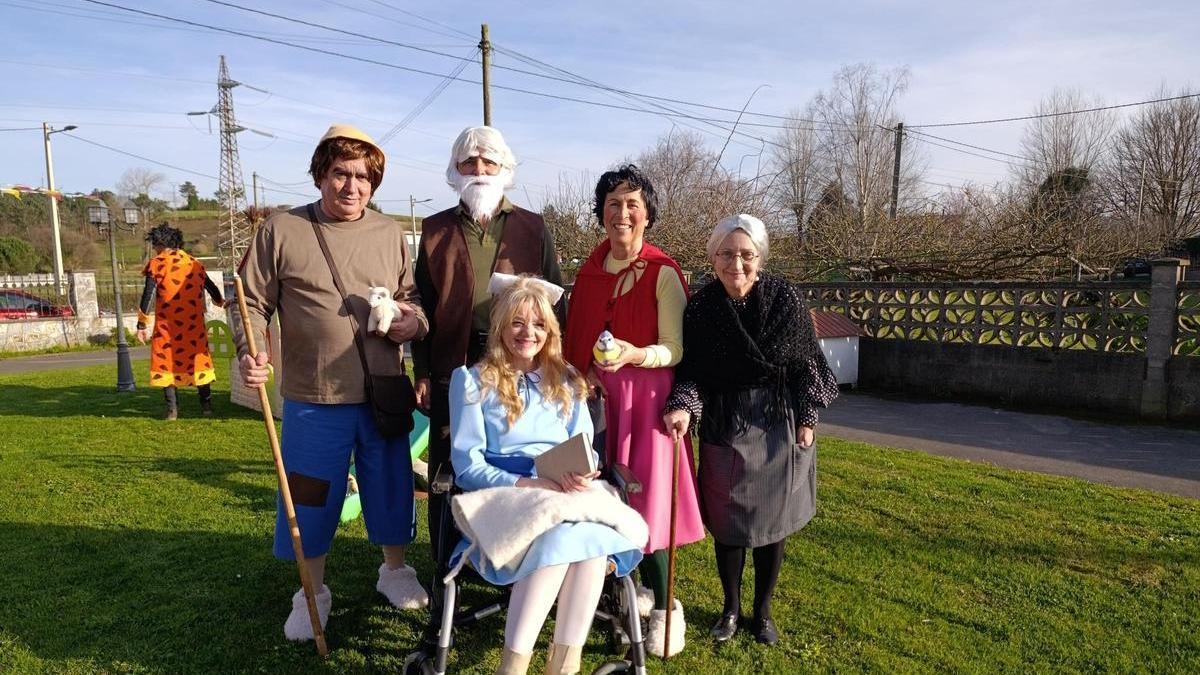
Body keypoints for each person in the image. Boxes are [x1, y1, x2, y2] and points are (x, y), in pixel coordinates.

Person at [236, 124, 430, 641]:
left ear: (375, 183)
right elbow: (251, 302)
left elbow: (414, 300)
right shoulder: (282, 229)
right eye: (341, 173)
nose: (352, 186)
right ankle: (311, 590)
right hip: (313, 398)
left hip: (383, 393)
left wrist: (413, 321)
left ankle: (395, 570)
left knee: (391, 485)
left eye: (363, 177)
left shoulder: (390, 233)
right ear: (321, 174)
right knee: (310, 494)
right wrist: (252, 349)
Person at [448, 275, 643, 675]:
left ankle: (561, 668)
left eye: (538, 324)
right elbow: (467, 466)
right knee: (566, 542)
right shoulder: (471, 382)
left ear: (550, 331)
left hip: (563, 490)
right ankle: (514, 668)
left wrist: (581, 474)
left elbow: (584, 447)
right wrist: (528, 483)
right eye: (517, 322)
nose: (528, 333)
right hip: (505, 493)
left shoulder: (568, 381)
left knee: (589, 547)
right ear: (501, 326)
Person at [663, 214, 839, 646]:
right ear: (713, 258)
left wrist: (809, 417)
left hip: (777, 421)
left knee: (771, 526)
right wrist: (684, 407)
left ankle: (761, 614)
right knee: (727, 524)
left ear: (760, 259)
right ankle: (730, 608)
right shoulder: (702, 308)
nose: (735, 264)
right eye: (726, 254)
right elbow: (692, 372)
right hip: (725, 423)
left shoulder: (785, 300)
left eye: (746, 254)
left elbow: (806, 364)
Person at [563, 164, 704, 657]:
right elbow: (575, 339)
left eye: (632, 205)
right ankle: (633, 595)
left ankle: (667, 608)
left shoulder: (663, 272)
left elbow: (675, 348)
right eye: (613, 205)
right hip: (598, 402)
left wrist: (632, 354)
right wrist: (587, 371)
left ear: (647, 215)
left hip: (645, 402)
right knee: (606, 500)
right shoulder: (588, 272)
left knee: (649, 503)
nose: (622, 214)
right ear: (601, 214)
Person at [413, 126, 564, 564]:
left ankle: (524, 556)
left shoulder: (533, 228)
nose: (479, 170)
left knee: (518, 456)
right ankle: (447, 564)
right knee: (448, 469)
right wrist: (421, 370)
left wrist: (556, 366)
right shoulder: (435, 229)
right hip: (452, 363)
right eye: (469, 163)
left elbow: (555, 302)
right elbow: (420, 301)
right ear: (455, 170)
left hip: (521, 359)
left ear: (504, 169)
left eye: (488, 162)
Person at [135, 222, 224, 420]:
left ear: (158, 243)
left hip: (168, 327)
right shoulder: (194, 263)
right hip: (194, 326)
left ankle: (172, 411)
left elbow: (148, 295)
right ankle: (207, 407)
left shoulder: (157, 264)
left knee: (166, 364)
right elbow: (211, 287)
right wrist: (221, 302)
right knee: (198, 362)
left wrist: (142, 324)